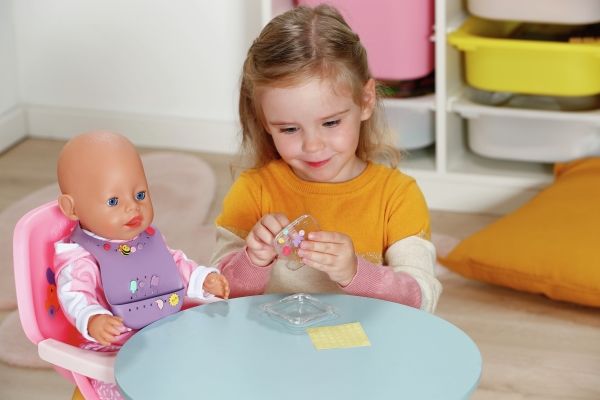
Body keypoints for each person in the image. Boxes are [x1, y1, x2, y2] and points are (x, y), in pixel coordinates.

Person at [210, 4, 441, 312]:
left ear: (366, 100)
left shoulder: (397, 197)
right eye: (289, 129)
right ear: (265, 121)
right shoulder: (252, 191)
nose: (313, 146)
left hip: (367, 339)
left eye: (331, 123)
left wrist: (356, 273)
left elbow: (421, 300)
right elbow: (216, 294)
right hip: (274, 338)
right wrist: (252, 260)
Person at [54, 131, 229, 399]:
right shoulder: (81, 256)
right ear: (72, 209)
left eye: (139, 194)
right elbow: (74, 294)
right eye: (113, 201)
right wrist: (93, 318)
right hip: (116, 350)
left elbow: (173, 265)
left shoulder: (146, 240)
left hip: (163, 331)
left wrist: (201, 279)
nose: (133, 208)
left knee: (210, 360)